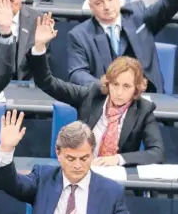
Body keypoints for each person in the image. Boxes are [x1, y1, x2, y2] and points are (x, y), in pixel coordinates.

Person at [0, 112, 128, 214]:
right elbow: (11, 184)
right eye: (71, 158)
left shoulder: (111, 192)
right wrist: (6, 150)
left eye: (84, 158)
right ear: (58, 153)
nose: (78, 165)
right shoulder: (43, 178)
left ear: (92, 154)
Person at [29, 17, 164, 166]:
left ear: (136, 89)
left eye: (126, 86)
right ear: (108, 83)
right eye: (115, 84)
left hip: (116, 176)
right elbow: (47, 83)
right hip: (81, 168)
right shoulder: (91, 95)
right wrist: (40, 46)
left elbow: (156, 152)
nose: (119, 92)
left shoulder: (143, 109)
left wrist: (117, 159)